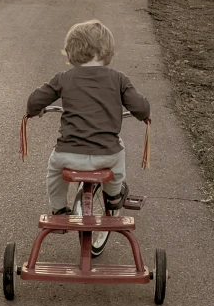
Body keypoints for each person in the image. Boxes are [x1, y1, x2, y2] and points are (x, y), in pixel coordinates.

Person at [26, 20, 151, 220]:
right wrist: (143, 115)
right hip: (106, 155)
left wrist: (36, 110)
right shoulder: (118, 79)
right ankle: (113, 196)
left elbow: (34, 102)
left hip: (68, 154)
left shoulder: (64, 78)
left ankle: (59, 209)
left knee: (54, 173)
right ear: (108, 51)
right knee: (119, 154)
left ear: (70, 53)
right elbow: (141, 109)